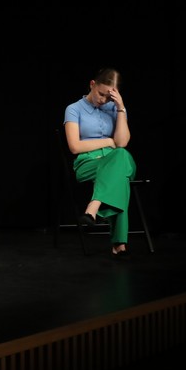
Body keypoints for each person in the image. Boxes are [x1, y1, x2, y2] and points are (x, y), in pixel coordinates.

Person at [63, 67, 135, 256]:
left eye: (108, 97)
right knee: (120, 175)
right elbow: (75, 147)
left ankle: (93, 207)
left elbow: (122, 142)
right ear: (92, 85)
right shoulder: (74, 109)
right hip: (88, 164)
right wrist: (109, 142)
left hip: (115, 161)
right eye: (101, 94)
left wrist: (120, 108)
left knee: (121, 156)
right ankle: (119, 244)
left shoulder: (116, 108)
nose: (103, 100)